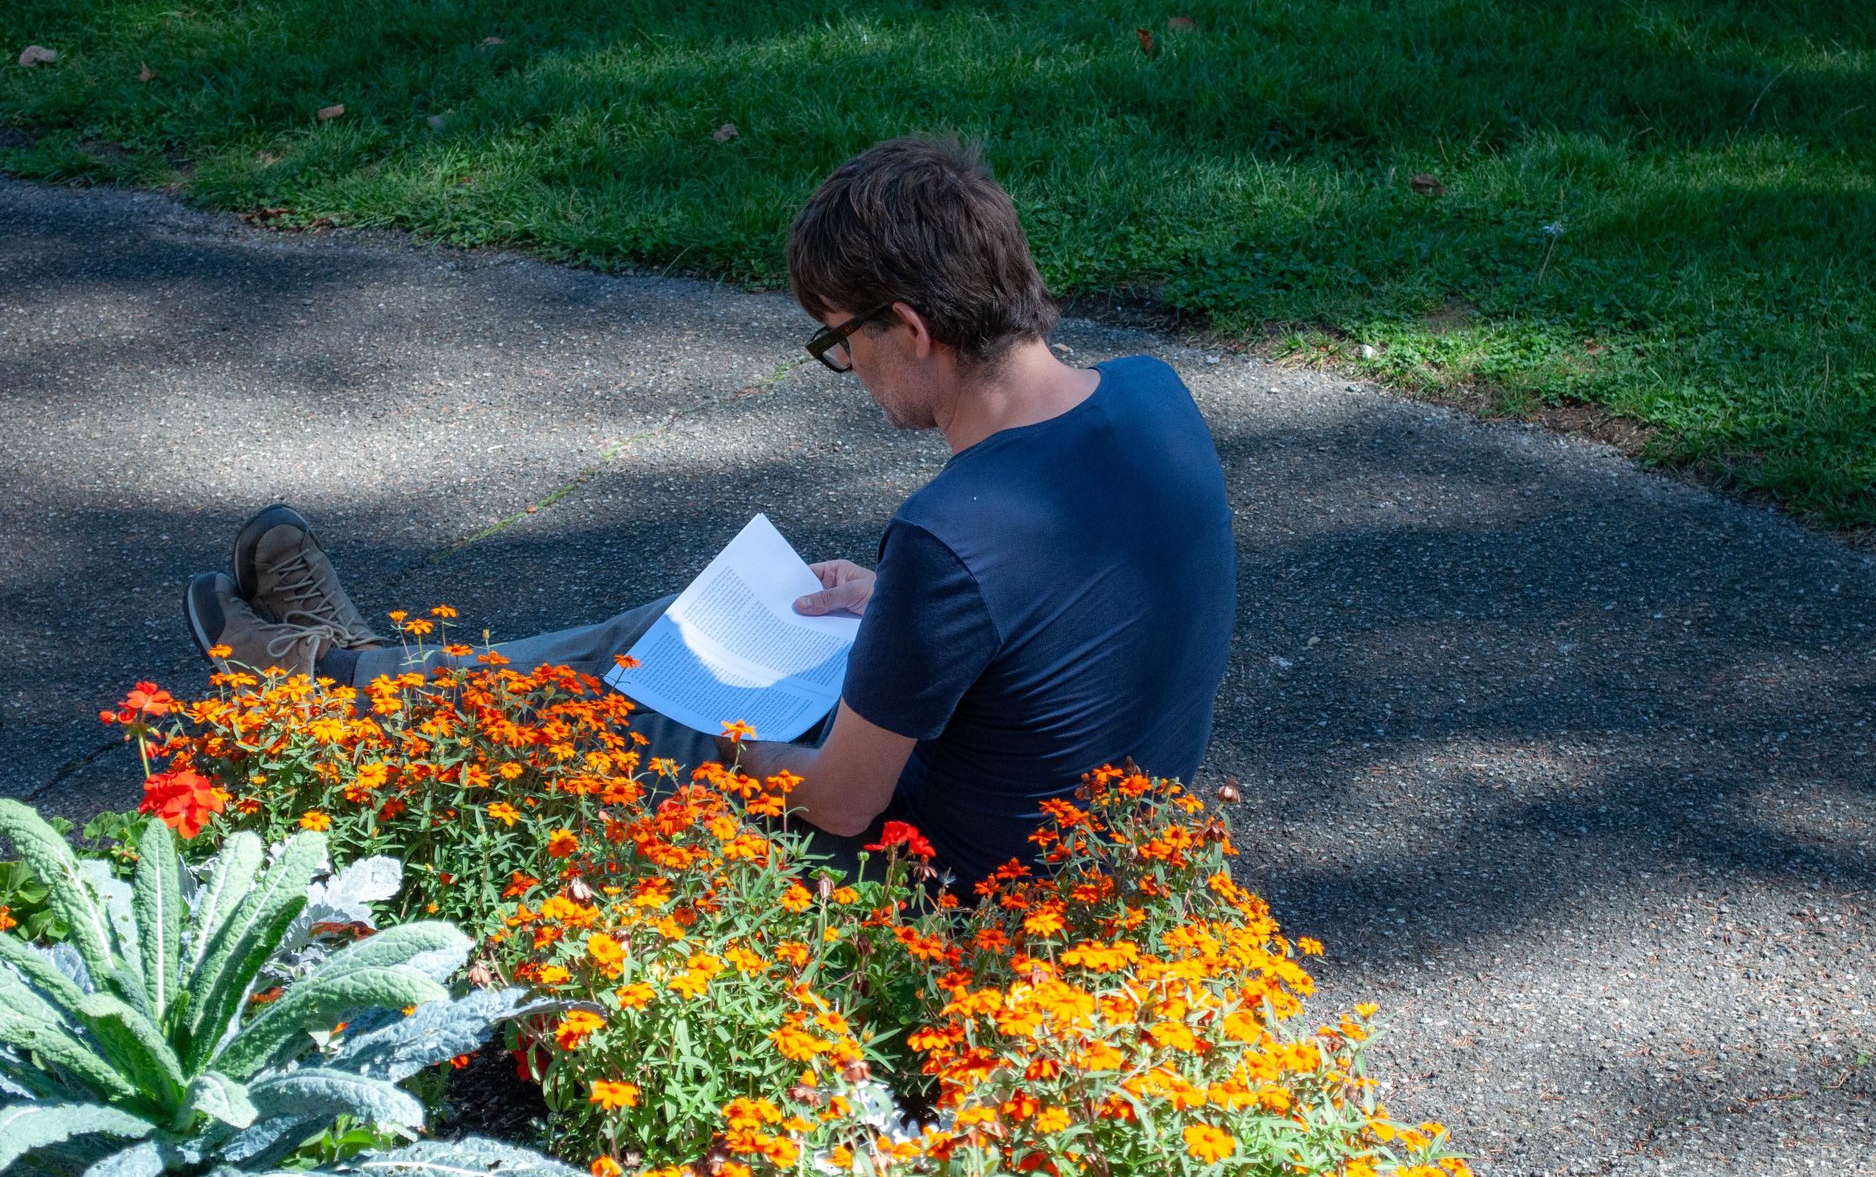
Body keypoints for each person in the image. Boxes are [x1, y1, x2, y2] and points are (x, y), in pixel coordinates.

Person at [184, 137, 1236, 893]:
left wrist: (712, 742)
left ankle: (324, 690)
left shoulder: (955, 532)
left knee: (634, 701)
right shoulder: (1153, 394)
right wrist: (902, 600)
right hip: (1080, 827)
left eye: (838, 342)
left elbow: (836, 804)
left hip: (958, 897)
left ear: (907, 327)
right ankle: (342, 674)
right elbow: (1080, 595)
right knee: (667, 634)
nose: (846, 369)